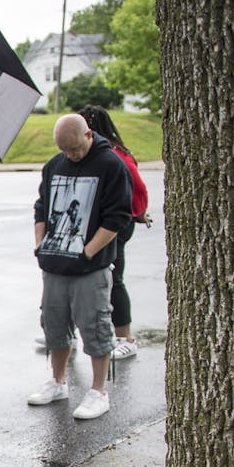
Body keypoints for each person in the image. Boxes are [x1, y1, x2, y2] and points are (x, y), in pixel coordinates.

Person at [27, 114, 132, 420]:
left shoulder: (111, 165)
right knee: (54, 325)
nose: (70, 156)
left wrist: (87, 253)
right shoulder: (54, 165)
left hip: (90, 267)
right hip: (55, 263)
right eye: (64, 150)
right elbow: (41, 207)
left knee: (95, 325)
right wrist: (40, 243)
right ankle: (58, 382)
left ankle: (99, 391)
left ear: (88, 135)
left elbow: (117, 217)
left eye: (74, 149)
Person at [80, 104, 151, 360]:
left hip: (115, 225)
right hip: (110, 223)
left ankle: (125, 338)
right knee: (99, 281)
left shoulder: (112, 155)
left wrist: (136, 211)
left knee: (113, 279)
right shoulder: (115, 151)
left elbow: (137, 189)